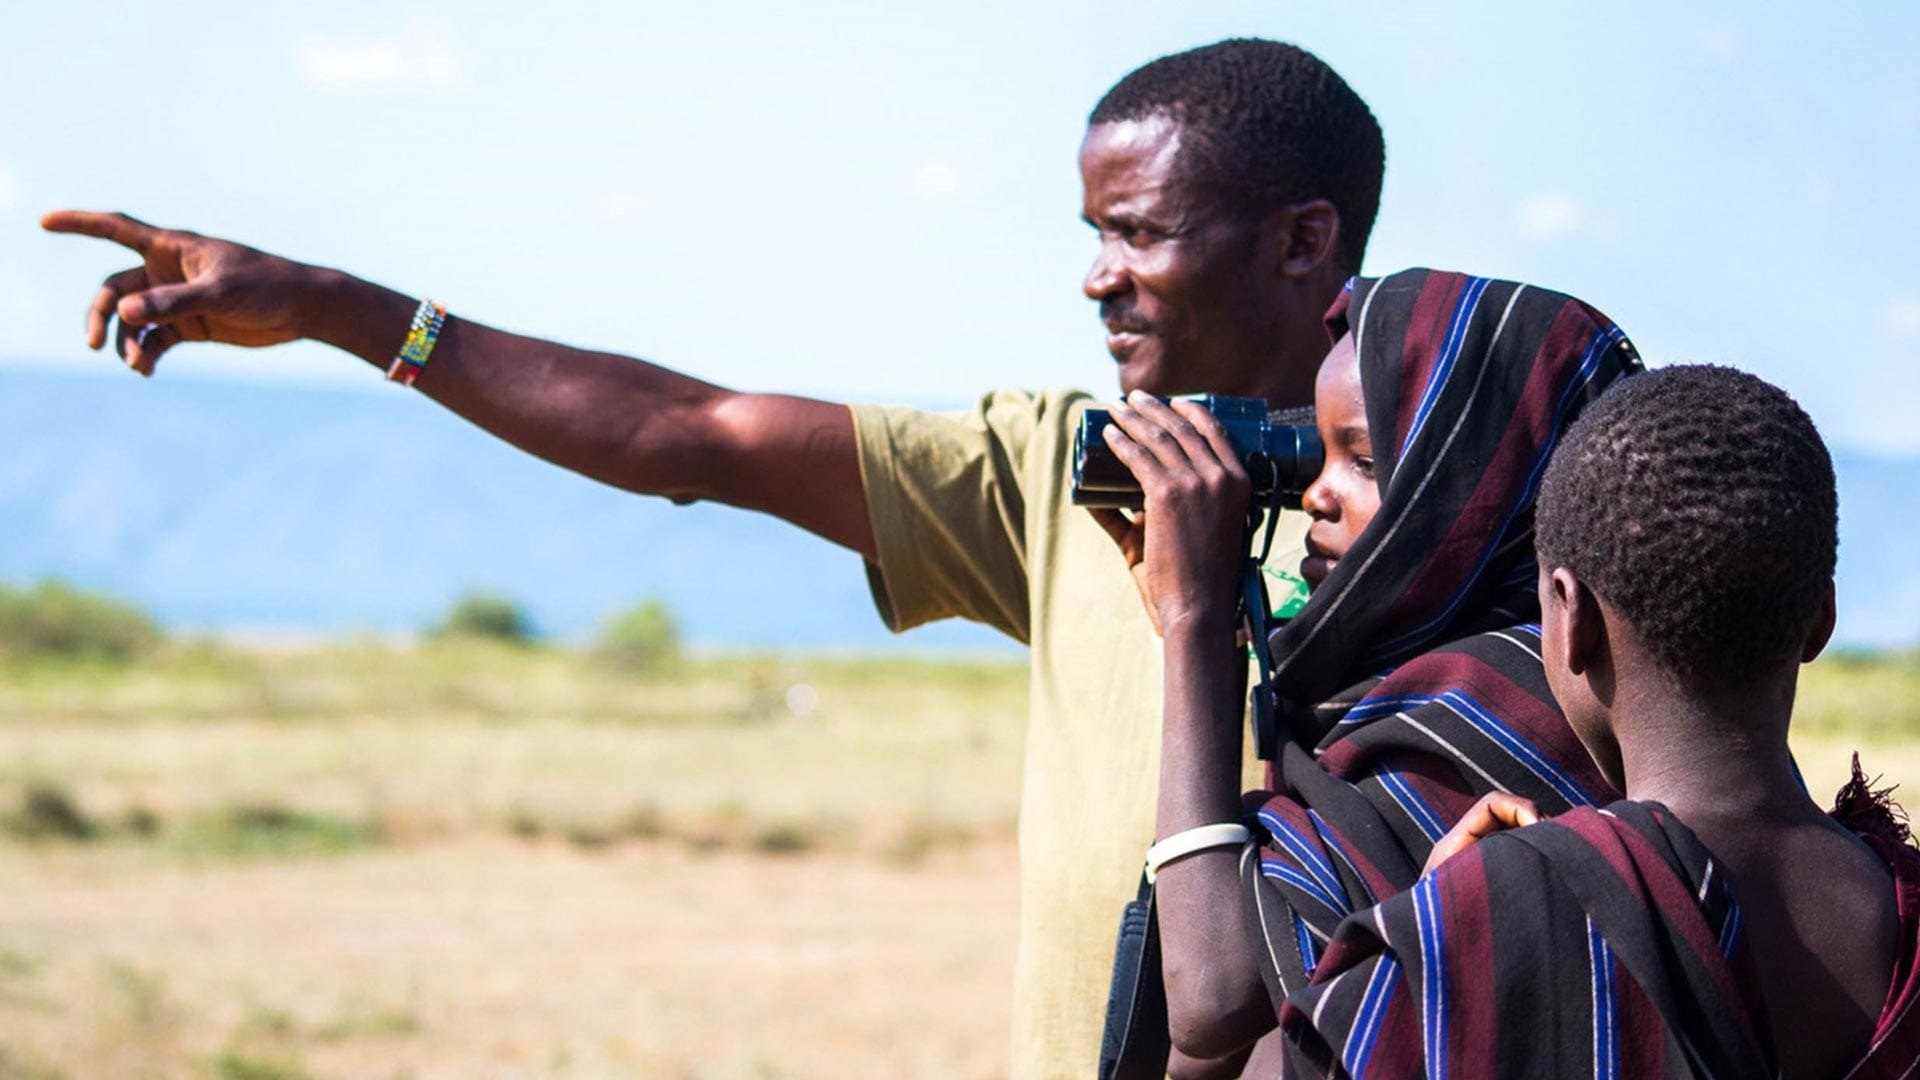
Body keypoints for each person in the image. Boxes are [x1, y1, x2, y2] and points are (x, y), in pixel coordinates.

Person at [40, 38, 1386, 1079]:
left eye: (1139, 231)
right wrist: (342, 310)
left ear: (1301, 240)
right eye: (1094, 234)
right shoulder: (1067, 472)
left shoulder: (1445, 498)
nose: (1098, 277)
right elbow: (691, 432)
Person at [1271, 364, 1920, 1078]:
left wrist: (1441, 930)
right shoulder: (1902, 910)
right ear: (1821, 620)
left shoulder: (1498, 914)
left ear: (1570, 614)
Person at [1102, 269, 1643, 1072]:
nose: (1314, 497)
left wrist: (1197, 625)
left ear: (1478, 486)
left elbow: (1213, 999)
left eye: (1363, 460)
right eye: (1316, 455)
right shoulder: (1384, 705)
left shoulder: (1506, 712)